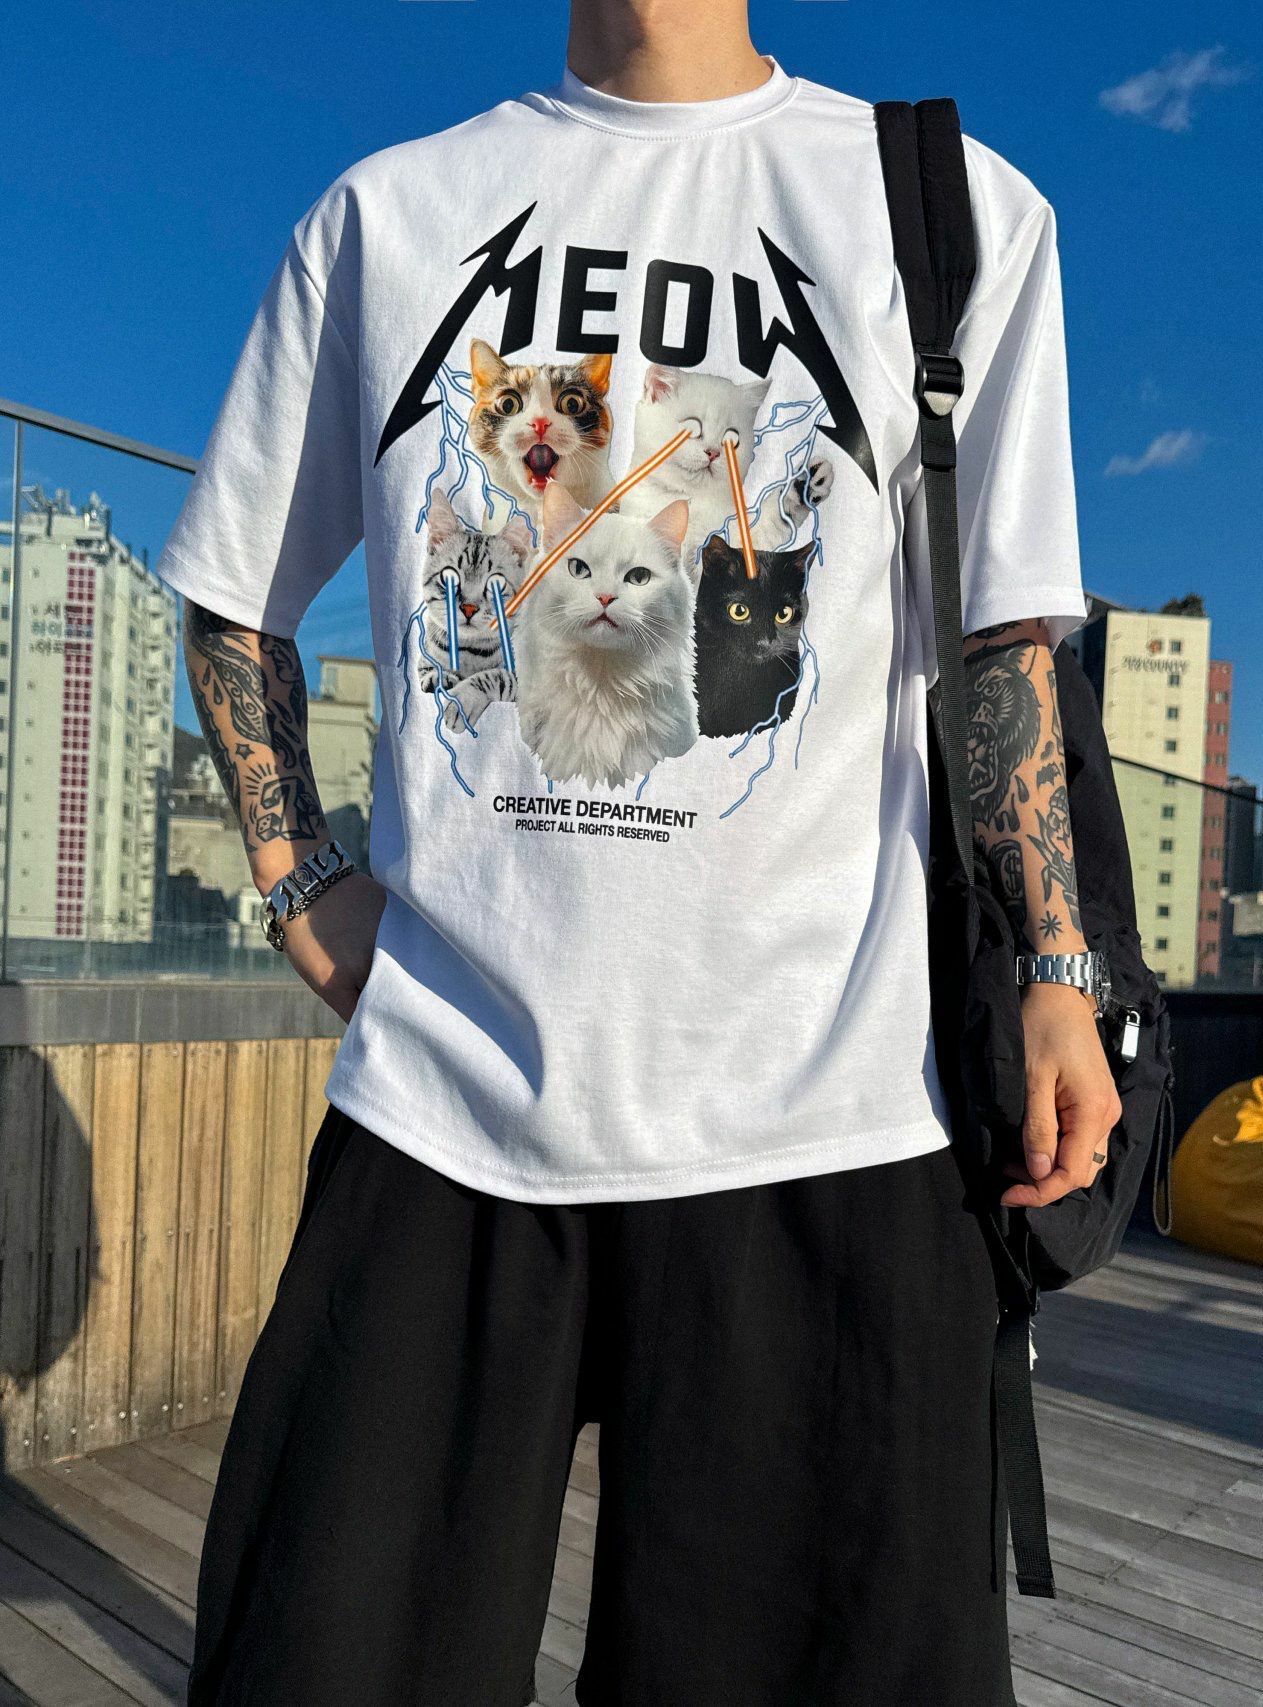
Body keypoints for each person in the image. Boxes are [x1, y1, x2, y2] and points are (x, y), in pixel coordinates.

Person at [159, 1, 1121, 1701]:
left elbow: (1001, 645)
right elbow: (233, 590)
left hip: (826, 1110)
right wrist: (305, 881)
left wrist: (1056, 967)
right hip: (446, 1100)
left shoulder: (953, 211)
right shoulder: (387, 218)